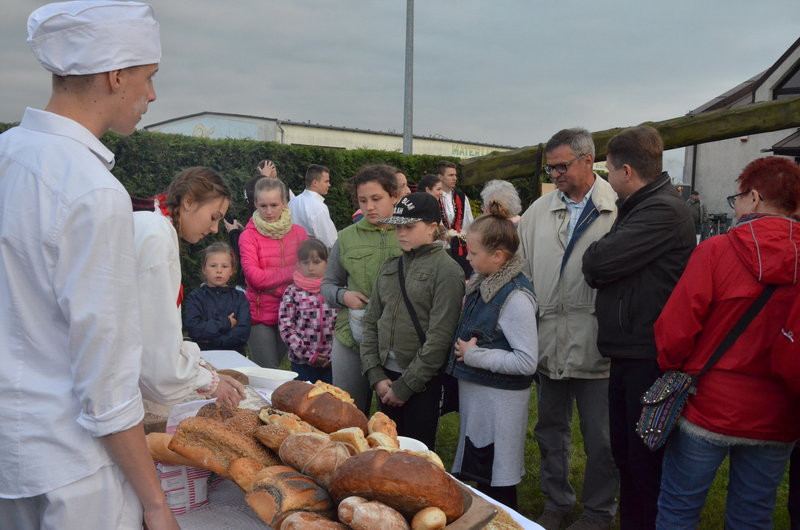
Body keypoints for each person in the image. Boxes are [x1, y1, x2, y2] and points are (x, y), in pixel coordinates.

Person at [0, 2, 178, 528]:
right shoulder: (93, 191)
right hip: (74, 471)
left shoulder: (7, 154)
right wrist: (155, 503)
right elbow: (107, 381)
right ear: (116, 75)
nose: (152, 95)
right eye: (148, 77)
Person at [653, 157, 800, 528]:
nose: (735, 207)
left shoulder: (716, 251)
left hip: (710, 405)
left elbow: (675, 332)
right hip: (779, 411)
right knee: (754, 515)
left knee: (678, 509)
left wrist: (674, 370)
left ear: (754, 197)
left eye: (738, 198)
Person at [582, 126, 695, 530]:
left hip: (648, 355)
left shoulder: (662, 210)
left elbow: (596, 263)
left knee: (644, 461)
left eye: (608, 170)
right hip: (631, 349)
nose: (608, 179)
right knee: (628, 454)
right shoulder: (641, 205)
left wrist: (603, 262)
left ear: (626, 171)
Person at [517, 127, 619, 530]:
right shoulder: (537, 212)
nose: (556, 174)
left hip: (597, 342)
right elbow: (521, 271)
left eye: (562, 166)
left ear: (587, 160)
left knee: (601, 437)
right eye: (551, 168)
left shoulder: (617, 208)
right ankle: (556, 503)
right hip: (547, 340)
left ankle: (598, 511)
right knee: (549, 431)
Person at [446, 201, 538, 510]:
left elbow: (526, 361)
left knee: (498, 482)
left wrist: (474, 355)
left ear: (498, 256)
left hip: (500, 406)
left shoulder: (516, 297)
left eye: (473, 253)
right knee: (482, 474)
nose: (467, 258)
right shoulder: (486, 283)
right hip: (483, 402)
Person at [134, 167, 246, 408]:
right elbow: (156, 347)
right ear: (188, 201)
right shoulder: (157, 236)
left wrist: (201, 371)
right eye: (214, 216)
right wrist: (207, 381)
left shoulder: (152, 224)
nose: (215, 229)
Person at [361, 192, 465, 450]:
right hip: (384, 377)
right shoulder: (390, 267)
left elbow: (440, 338)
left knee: (415, 454)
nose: (401, 233)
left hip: (422, 382)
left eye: (409, 226)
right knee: (383, 450)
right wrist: (375, 374)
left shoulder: (447, 271)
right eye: (398, 227)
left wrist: (405, 386)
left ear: (432, 228)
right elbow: (371, 322)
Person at [321, 164, 403, 414]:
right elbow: (328, 285)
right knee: (347, 411)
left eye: (376, 199)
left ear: (394, 196)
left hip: (398, 340)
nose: (369, 207)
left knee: (394, 417)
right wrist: (343, 296)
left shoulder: (409, 232)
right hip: (352, 336)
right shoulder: (346, 237)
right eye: (362, 200)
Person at [240, 177, 308, 368]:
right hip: (260, 316)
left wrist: (271, 284)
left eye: (274, 205)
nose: (268, 211)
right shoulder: (248, 236)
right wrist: (292, 272)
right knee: (267, 370)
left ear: (284, 203)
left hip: (292, 314)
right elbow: (255, 278)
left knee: (279, 371)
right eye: (263, 206)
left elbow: (309, 273)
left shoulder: (300, 233)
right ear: (255, 204)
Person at [279, 238, 338, 384]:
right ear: (298, 264)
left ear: (327, 263)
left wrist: (333, 356)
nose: (311, 268)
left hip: (332, 362)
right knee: (304, 396)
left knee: (330, 396)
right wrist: (308, 355)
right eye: (305, 263)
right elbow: (286, 327)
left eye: (316, 262)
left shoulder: (334, 290)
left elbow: (342, 325)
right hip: (302, 363)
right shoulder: (292, 292)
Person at [183, 241, 251, 353]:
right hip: (203, 356)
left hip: (234, 356)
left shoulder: (239, 298)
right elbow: (195, 329)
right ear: (204, 269)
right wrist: (227, 323)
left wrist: (212, 341)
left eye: (224, 266)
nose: (219, 270)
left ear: (231, 270)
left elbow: (243, 333)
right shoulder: (195, 297)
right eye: (213, 266)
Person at [437, 160, 474, 277]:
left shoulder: (461, 197)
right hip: (439, 248)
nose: (455, 178)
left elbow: (468, 223)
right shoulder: (433, 196)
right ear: (440, 177)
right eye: (451, 175)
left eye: (455, 175)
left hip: (459, 248)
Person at [288, 164, 337, 248]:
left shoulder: (293, 202)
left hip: (291, 250)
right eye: (326, 181)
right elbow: (329, 241)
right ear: (315, 183)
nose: (329, 185)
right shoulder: (319, 207)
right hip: (312, 252)